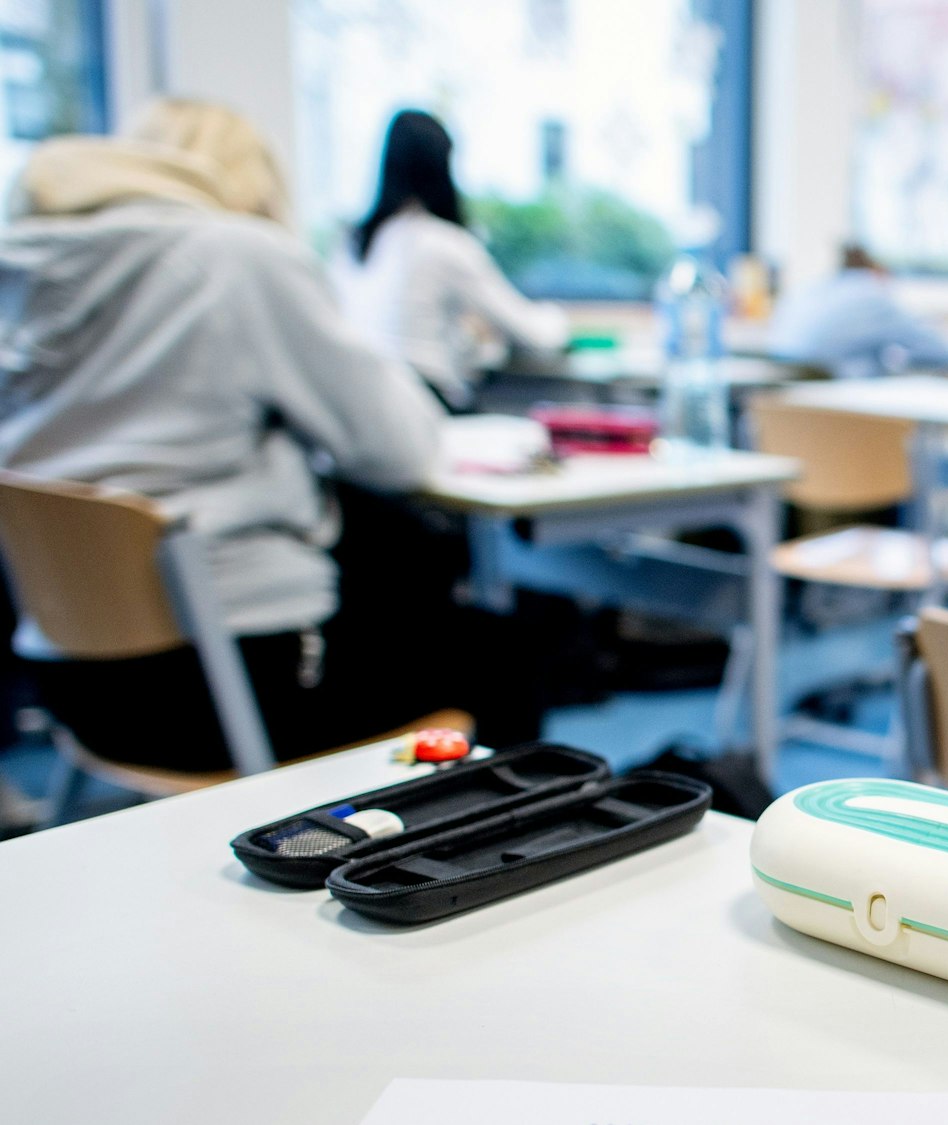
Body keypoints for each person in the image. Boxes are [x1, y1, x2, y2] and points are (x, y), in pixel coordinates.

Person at [0, 99, 541, 771]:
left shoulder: (20, 268)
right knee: (501, 651)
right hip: (232, 689)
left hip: (74, 685)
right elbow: (401, 448)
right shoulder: (237, 259)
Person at [334, 110, 567, 410]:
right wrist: (560, 321)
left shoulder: (351, 243)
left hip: (357, 405)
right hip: (423, 407)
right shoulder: (443, 242)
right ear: (442, 166)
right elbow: (535, 334)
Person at [766, 243, 948, 379]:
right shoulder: (872, 294)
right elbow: (945, 352)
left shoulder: (808, 289)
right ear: (877, 272)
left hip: (785, 412)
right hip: (839, 407)